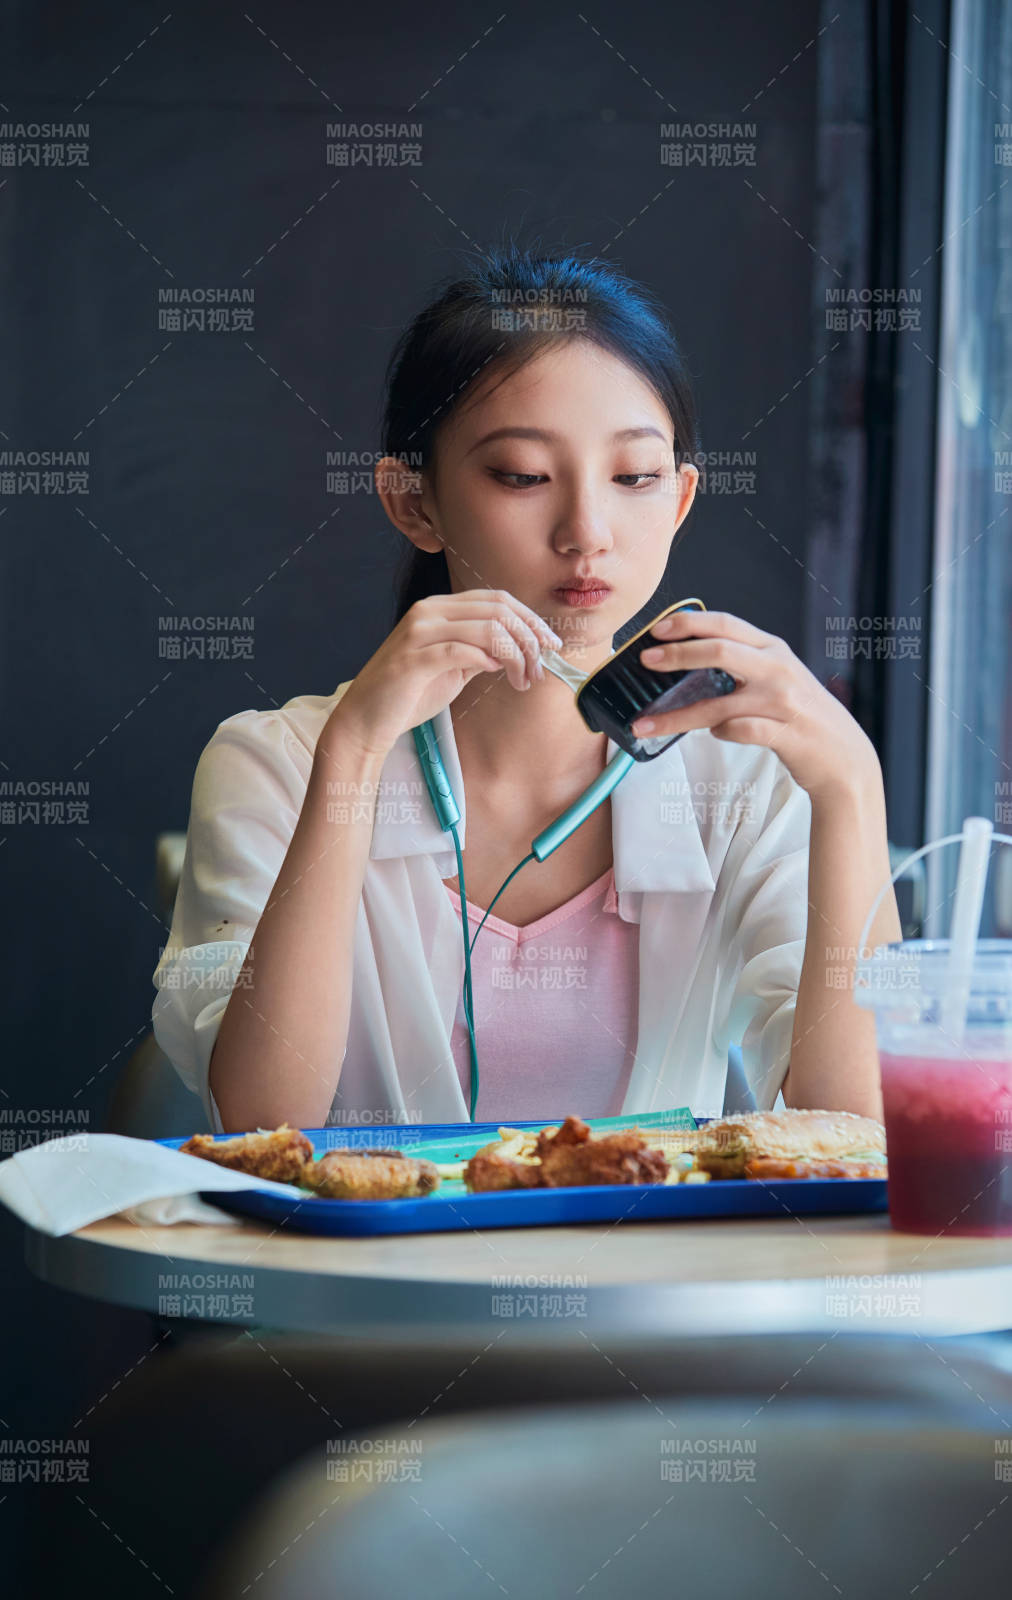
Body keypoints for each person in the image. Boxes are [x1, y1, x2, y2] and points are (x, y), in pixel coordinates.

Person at [152, 240, 900, 1135]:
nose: (587, 532)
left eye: (634, 478)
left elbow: (860, 1131)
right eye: (522, 476)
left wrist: (853, 785)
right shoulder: (272, 764)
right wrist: (351, 755)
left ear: (681, 500)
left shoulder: (750, 785)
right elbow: (261, 1118)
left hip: (651, 1277)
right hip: (376, 1279)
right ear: (413, 502)